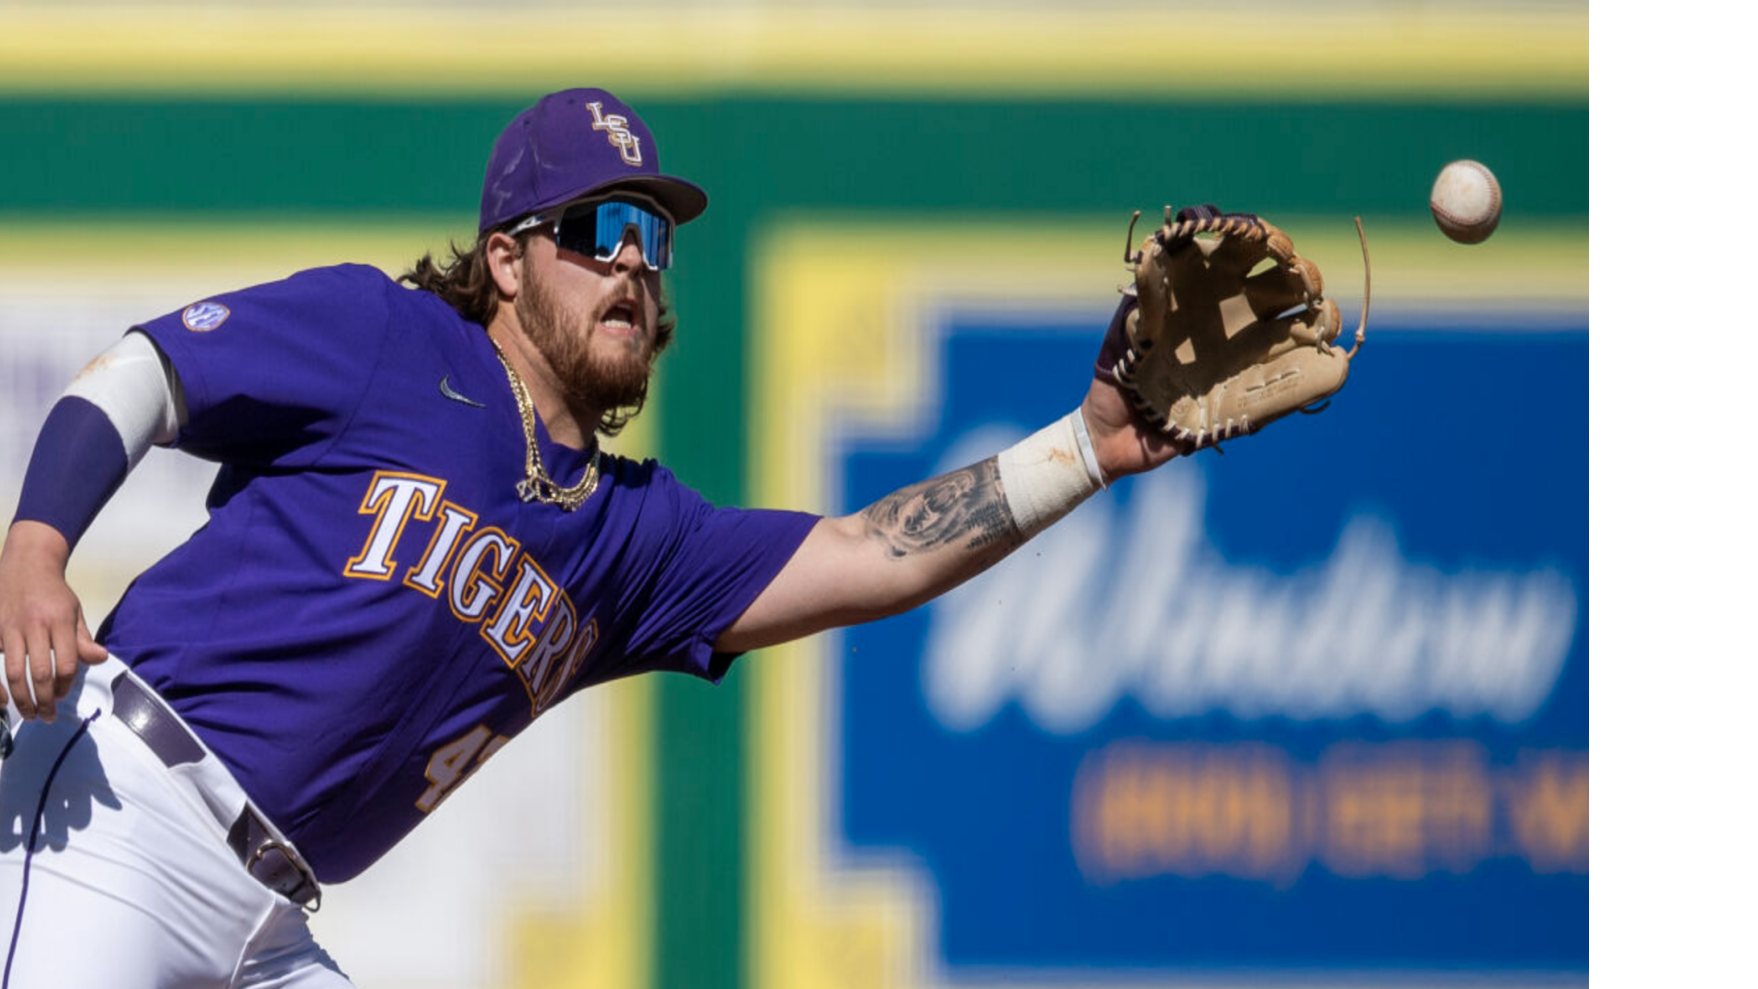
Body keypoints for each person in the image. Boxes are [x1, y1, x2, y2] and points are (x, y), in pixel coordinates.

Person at [0, 87, 1179, 987]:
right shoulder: (391, 338)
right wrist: (37, 548)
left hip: (270, 915)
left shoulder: (632, 534)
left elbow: (874, 552)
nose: (631, 256)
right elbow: (145, 373)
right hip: (119, 813)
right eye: (597, 225)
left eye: (652, 236)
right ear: (504, 260)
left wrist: (1086, 444)